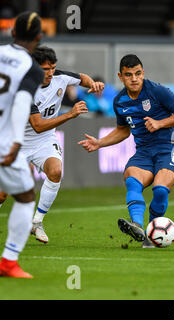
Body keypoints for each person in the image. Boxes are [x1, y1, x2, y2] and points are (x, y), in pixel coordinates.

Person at [78, 54, 174, 248]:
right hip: (144, 153)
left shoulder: (157, 91)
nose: (134, 78)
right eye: (129, 75)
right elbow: (123, 130)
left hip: (169, 148)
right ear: (120, 76)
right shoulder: (120, 101)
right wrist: (100, 143)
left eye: (138, 73)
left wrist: (160, 123)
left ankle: (150, 233)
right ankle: (138, 227)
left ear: (143, 73)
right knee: (132, 180)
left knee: (160, 190)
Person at [24, 46, 103, 243]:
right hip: (19, 141)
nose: (50, 73)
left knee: (56, 171)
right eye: (45, 69)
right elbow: (38, 126)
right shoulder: (26, 88)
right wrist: (70, 114)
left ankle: (37, 222)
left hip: (44, 141)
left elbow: (81, 77)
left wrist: (92, 84)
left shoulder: (60, 77)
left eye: (53, 68)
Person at [0, 11, 44, 278]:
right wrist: (17, 140)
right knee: (26, 197)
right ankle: (8, 262)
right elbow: (20, 103)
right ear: (39, 37)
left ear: (12, 32)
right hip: (4, 142)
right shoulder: (32, 68)